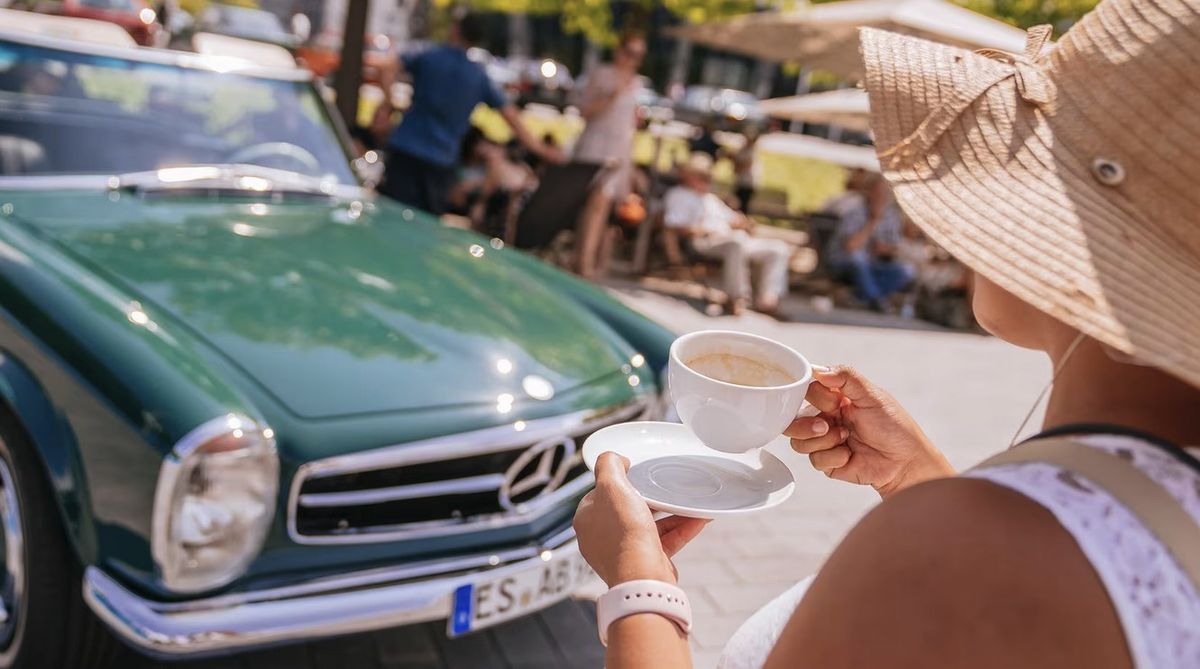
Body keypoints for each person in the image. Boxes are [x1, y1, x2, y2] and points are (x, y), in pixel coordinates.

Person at [574, 1, 1200, 667]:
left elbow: (986, 585)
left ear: (1087, 241)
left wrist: (639, 581)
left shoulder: (973, 550)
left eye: (1016, 170)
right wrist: (917, 479)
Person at [375, 11, 560, 215]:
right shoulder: (478, 76)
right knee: (425, 224)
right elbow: (511, 117)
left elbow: (388, 67)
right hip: (441, 158)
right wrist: (541, 149)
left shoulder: (430, 55)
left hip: (407, 146)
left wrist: (388, 103)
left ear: (455, 30)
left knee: (390, 214)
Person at [663, 153, 790, 315]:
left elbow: (734, 219)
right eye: (701, 176)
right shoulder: (678, 195)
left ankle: (768, 300)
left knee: (778, 248)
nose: (706, 180)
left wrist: (743, 222)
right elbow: (674, 226)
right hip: (705, 242)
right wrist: (705, 229)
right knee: (735, 242)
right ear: (689, 176)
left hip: (732, 239)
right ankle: (736, 297)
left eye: (707, 176)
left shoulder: (710, 199)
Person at [572, 30, 646, 279]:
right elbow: (586, 110)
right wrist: (612, 95)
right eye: (629, 52)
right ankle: (583, 262)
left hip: (619, 149)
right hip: (596, 144)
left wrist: (630, 163)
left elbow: (630, 127)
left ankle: (588, 259)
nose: (632, 59)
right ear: (618, 50)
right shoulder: (602, 74)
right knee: (595, 203)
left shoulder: (637, 83)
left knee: (603, 207)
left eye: (638, 55)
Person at [823, 169, 914, 311]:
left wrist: (885, 249)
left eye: (886, 194)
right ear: (869, 192)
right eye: (879, 193)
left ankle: (859, 296)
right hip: (844, 262)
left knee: (906, 270)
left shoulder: (891, 215)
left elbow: (895, 247)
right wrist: (873, 221)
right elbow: (851, 247)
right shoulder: (854, 212)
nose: (883, 198)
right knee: (858, 259)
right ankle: (875, 300)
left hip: (873, 263)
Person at [727, 126, 759, 213]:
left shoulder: (751, 151)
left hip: (747, 183)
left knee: (741, 206)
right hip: (741, 181)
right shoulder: (743, 149)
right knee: (736, 204)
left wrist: (736, 163)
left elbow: (745, 165)